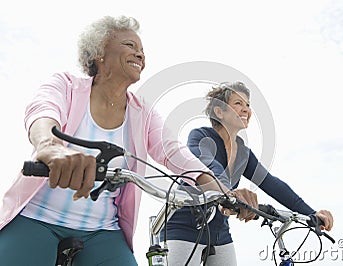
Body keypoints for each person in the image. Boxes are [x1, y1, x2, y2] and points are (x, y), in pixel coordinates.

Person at [0, 16, 258, 265]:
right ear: (100, 52)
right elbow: (42, 111)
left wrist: (226, 194)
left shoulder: (142, 113)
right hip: (37, 217)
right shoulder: (66, 86)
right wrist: (50, 147)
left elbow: (175, 153)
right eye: (129, 45)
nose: (140, 55)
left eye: (142, 50)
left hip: (102, 231)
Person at [162, 81, 334, 265]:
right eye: (238, 103)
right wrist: (232, 196)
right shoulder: (201, 136)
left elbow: (271, 183)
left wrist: (312, 215)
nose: (246, 109)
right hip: (184, 227)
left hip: (220, 233)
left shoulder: (243, 152)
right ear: (219, 112)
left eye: (248, 105)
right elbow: (210, 167)